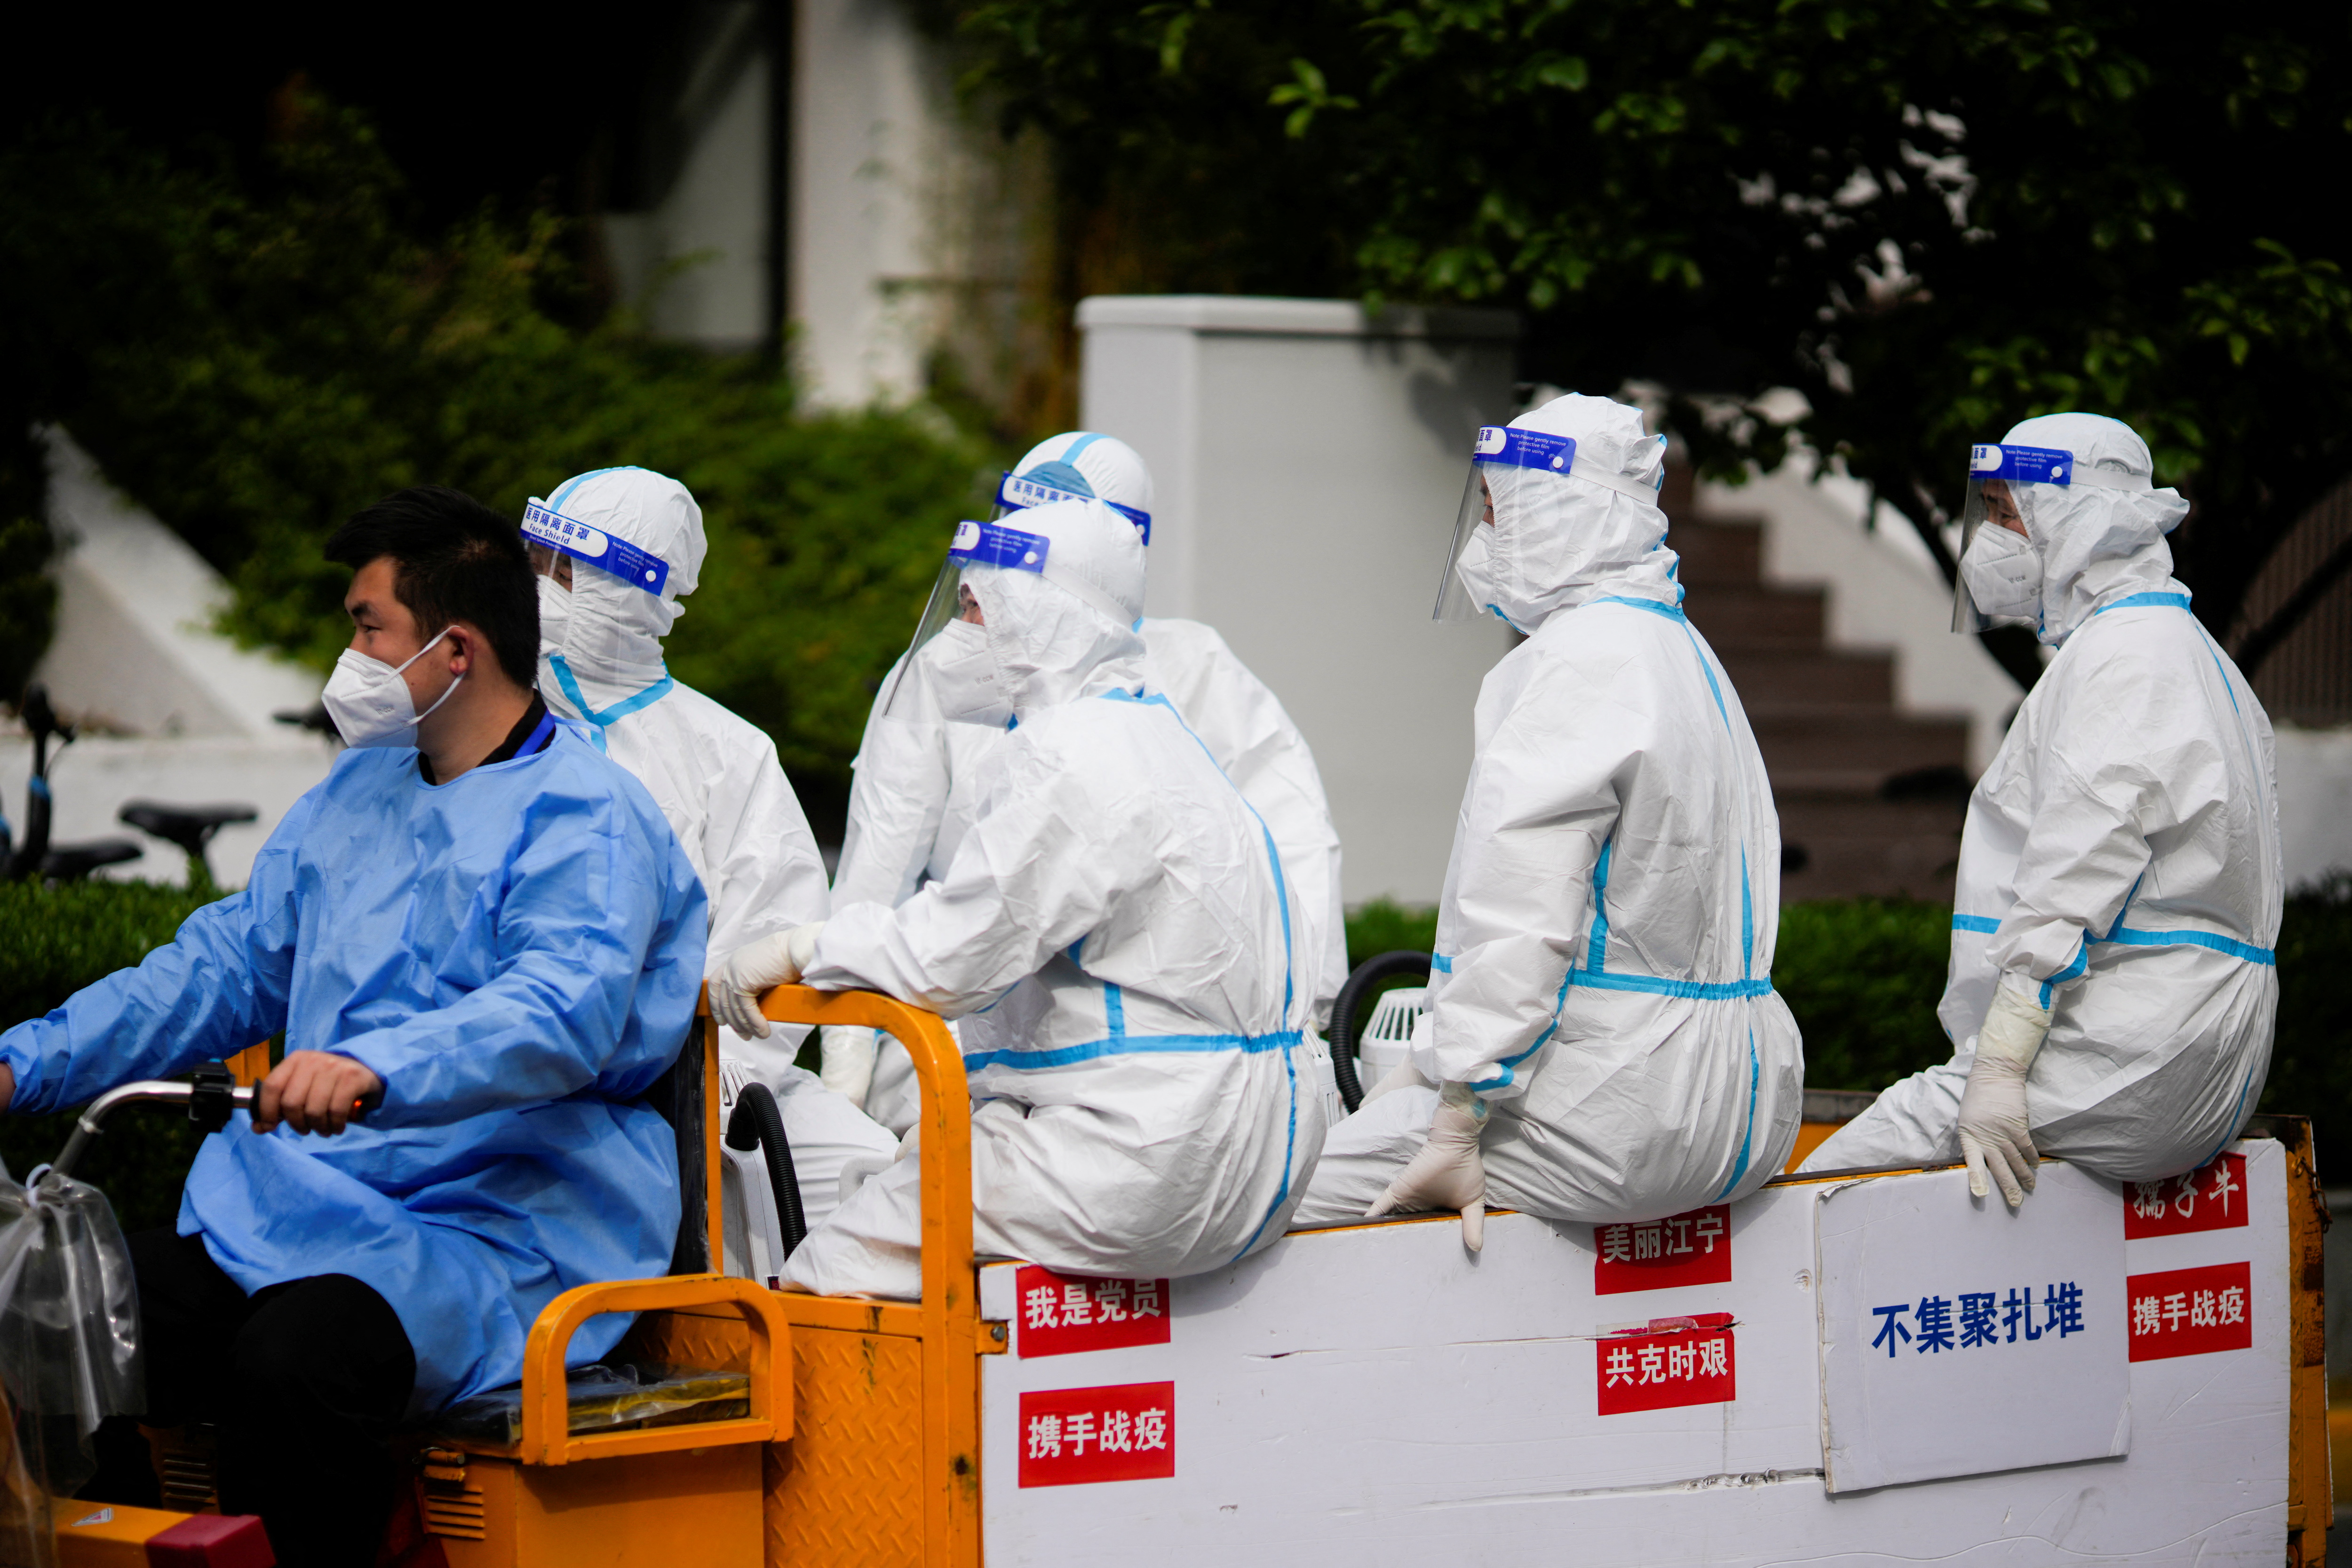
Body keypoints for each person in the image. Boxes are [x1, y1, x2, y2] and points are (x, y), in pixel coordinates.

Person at [0, 487, 706, 1566]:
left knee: (292, 1364)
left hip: (495, 1229)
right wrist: (21, 1064)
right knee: (57, 1311)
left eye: (368, 626)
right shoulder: (358, 790)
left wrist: (374, 1067)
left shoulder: (590, 819)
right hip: (305, 1208)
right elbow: (221, 966)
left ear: (455, 648)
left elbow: (557, 1012)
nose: (352, 652)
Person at [712, 497, 1323, 1299]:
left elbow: (947, 958)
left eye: (977, 608)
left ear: (1043, 616)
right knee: (919, 1187)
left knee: (828, 1270)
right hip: (1250, 1150)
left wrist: (801, 950)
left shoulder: (1070, 753)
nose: (958, 637)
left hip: (1146, 1155)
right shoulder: (1161, 735)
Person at [1293, 393, 1802, 1248]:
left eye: (1500, 511)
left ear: (1564, 510)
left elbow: (1521, 914)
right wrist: (1424, 1066)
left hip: (1615, 1112)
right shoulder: (1682, 650)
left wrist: (1456, 1109)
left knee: (1277, 1198)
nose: (1484, 538)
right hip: (1744, 1101)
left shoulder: (1579, 661)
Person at [1802, 413, 2283, 1204]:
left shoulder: (2125, 660)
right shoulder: (2191, 652)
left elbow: (2074, 875)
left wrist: (1997, 1067)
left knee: (1828, 1184)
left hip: (2123, 1055)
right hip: (2187, 1050)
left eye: (2005, 514)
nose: (1991, 539)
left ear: (2077, 516)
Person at [825, 431, 1347, 1133]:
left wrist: (1308, 1017)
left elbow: (1293, 850)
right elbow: (880, 861)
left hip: (1138, 1039)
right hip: (962, 1025)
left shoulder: (1191, 671)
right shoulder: (941, 671)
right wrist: (847, 1046)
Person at [524, 467, 890, 1259]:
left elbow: (773, 932)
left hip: (697, 1073)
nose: (542, 589)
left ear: (644, 595)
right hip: (523, 1074)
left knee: (879, 1174)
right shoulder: (492, 721)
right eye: (534, 562)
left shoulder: (728, 753)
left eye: (568, 571)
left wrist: (696, 1087)